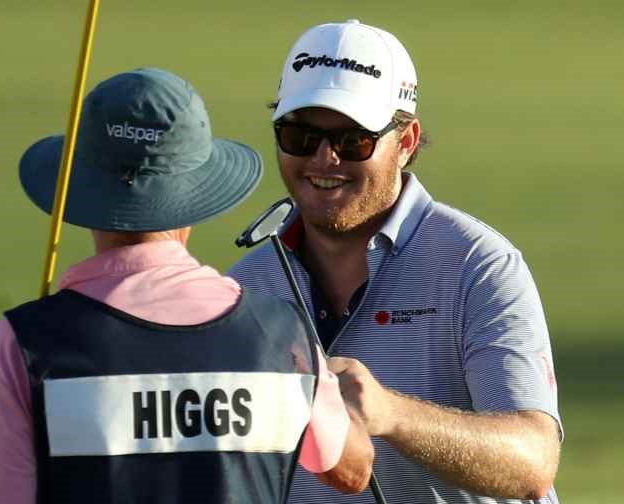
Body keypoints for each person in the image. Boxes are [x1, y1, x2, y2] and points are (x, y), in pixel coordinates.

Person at [0, 67, 374, 504]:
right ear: (196, 190)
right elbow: (351, 468)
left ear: (81, 183)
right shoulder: (283, 336)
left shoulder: (20, 346)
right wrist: (332, 386)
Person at [229, 20, 563, 504]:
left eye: (352, 140)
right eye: (300, 135)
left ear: (405, 142)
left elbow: (532, 463)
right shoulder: (248, 287)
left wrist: (390, 413)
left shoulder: (477, 265)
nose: (324, 159)